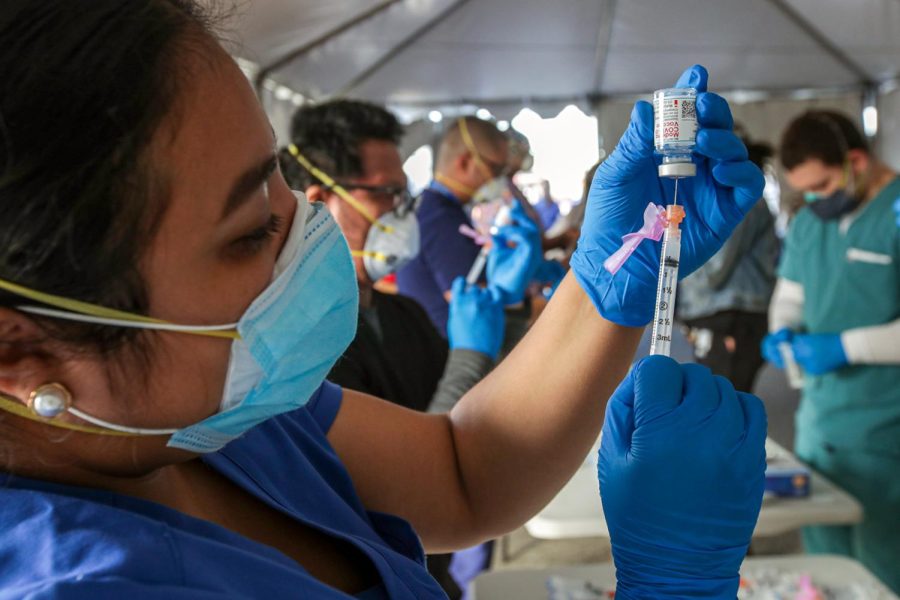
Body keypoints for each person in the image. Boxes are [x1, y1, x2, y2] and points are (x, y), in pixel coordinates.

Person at [0, 3, 767, 596]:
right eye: (248, 233)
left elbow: (464, 473)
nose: (305, 233)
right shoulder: (87, 582)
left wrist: (602, 284)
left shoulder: (211, 413)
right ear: (22, 354)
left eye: (282, 185)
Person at [279, 99, 510, 598]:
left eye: (404, 195)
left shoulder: (399, 314)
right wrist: (470, 357)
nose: (404, 214)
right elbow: (419, 490)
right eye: (387, 194)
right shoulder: (300, 350)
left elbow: (471, 417)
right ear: (319, 200)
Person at [761, 110, 900, 592]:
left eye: (822, 186)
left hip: (884, 431)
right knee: (826, 568)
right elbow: (791, 296)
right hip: (819, 426)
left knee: (882, 566)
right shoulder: (809, 223)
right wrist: (782, 330)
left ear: (856, 161)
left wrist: (848, 346)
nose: (816, 200)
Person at [396, 117, 517, 334]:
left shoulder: (428, 205)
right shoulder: (442, 219)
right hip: (449, 352)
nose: (501, 180)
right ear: (465, 162)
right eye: (496, 169)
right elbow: (475, 302)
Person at [677, 138, 779, 392]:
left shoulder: (740, 201)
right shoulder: (737, 200)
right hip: (724, 315)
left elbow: (714, 268)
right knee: (720, 400)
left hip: (732, 316)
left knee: (723, 402)